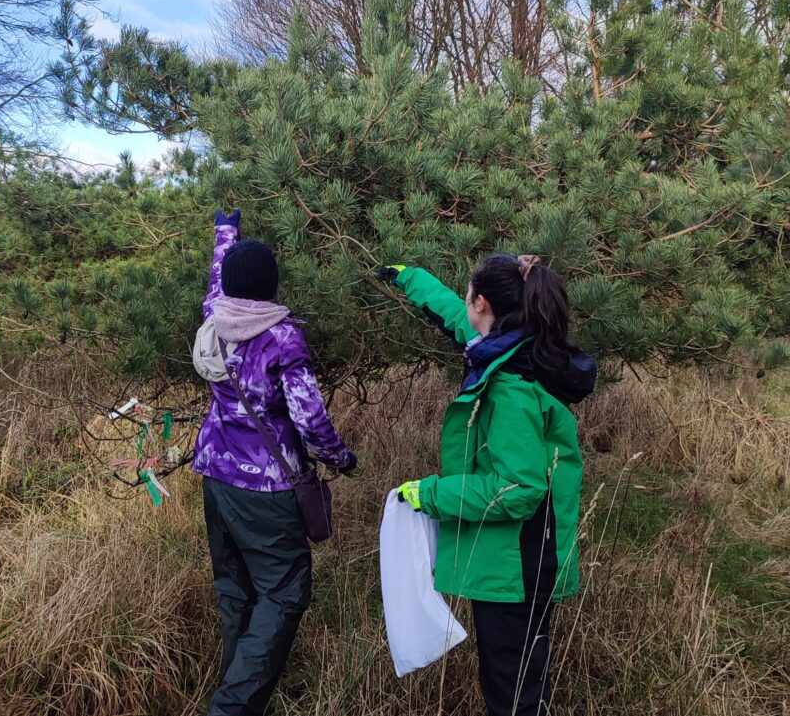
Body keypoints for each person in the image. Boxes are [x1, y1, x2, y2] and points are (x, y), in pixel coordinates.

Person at [379, 255, 596, 716]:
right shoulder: (521, 348)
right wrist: (411, 278)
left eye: (468, 294)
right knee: (518, 682)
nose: (464, 305)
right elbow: (459, 319)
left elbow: (518, 489)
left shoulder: (509, 388)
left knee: (511, 693)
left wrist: (432, 494)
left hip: (518, 565)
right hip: (525, 557)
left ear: (483, 303)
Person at [192, 210, 357, 716]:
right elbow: (309, 418)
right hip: (266, 489)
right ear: (272, 285)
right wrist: (340, 458)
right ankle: (233, 708)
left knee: (234, 589)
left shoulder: (214, 318)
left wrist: (226, 233)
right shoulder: (281, 338)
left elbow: (219, 276)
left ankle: (235, 693)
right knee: (285, 594)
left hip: (215, 476)